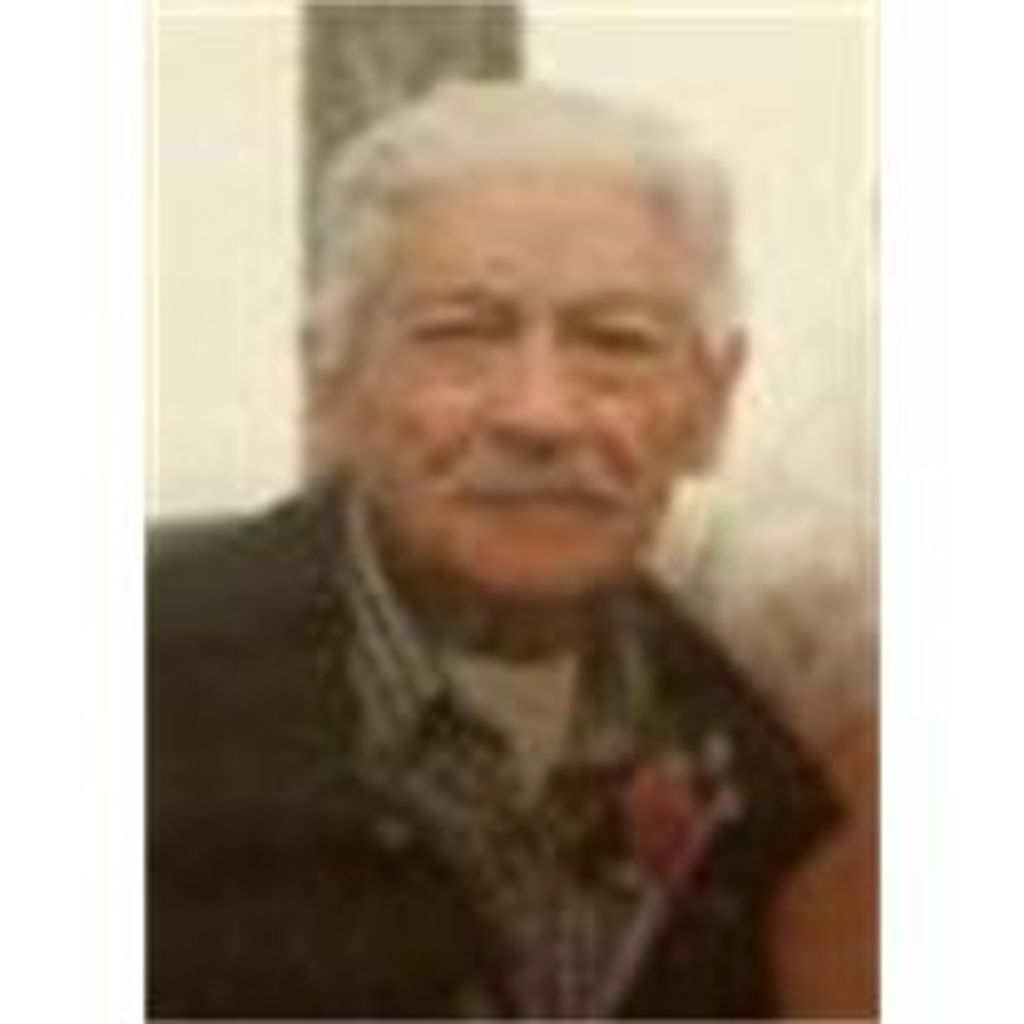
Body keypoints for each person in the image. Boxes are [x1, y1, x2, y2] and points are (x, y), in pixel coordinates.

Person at [148, 82, 843, 1019]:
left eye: (616, 342)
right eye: (462, 335)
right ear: (329, 380)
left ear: (712, 403)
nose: (538, 414)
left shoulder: (764, 774)